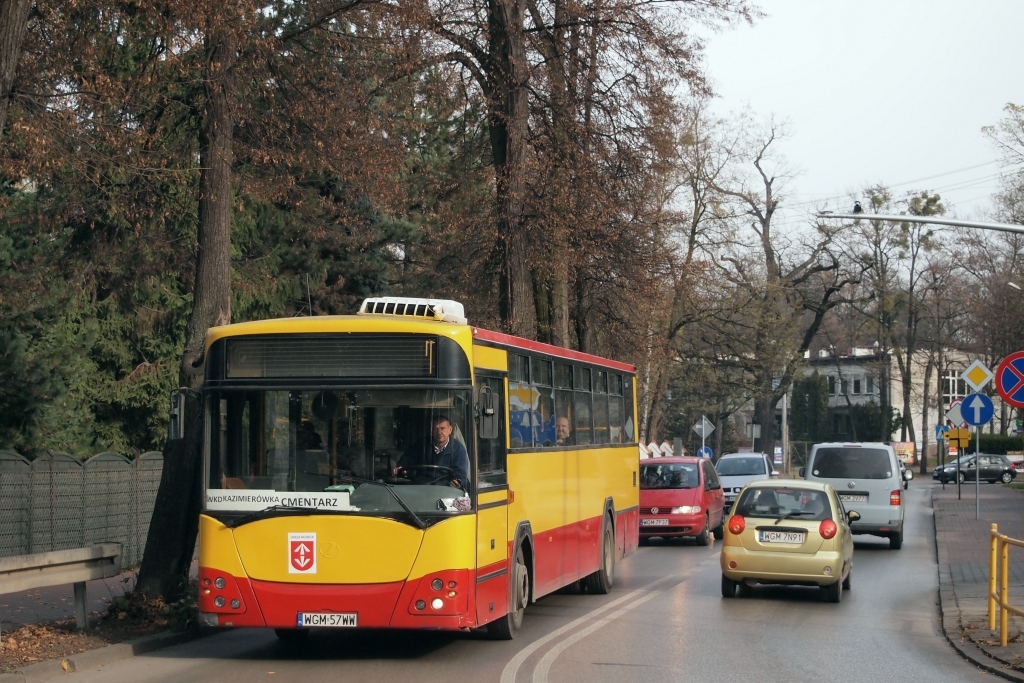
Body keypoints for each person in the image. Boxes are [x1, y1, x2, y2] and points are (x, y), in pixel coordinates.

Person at [394, 415, 469, 489]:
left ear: (450, 430)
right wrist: (401, 467)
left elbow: (461, 474)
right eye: (435, 429)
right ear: (431, 431)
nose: (439, 432)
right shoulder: (421, 445)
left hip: (446, 489)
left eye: (442, 428)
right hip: (422, 487)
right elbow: (407, 459)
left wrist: (458, 482)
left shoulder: (458, 449)